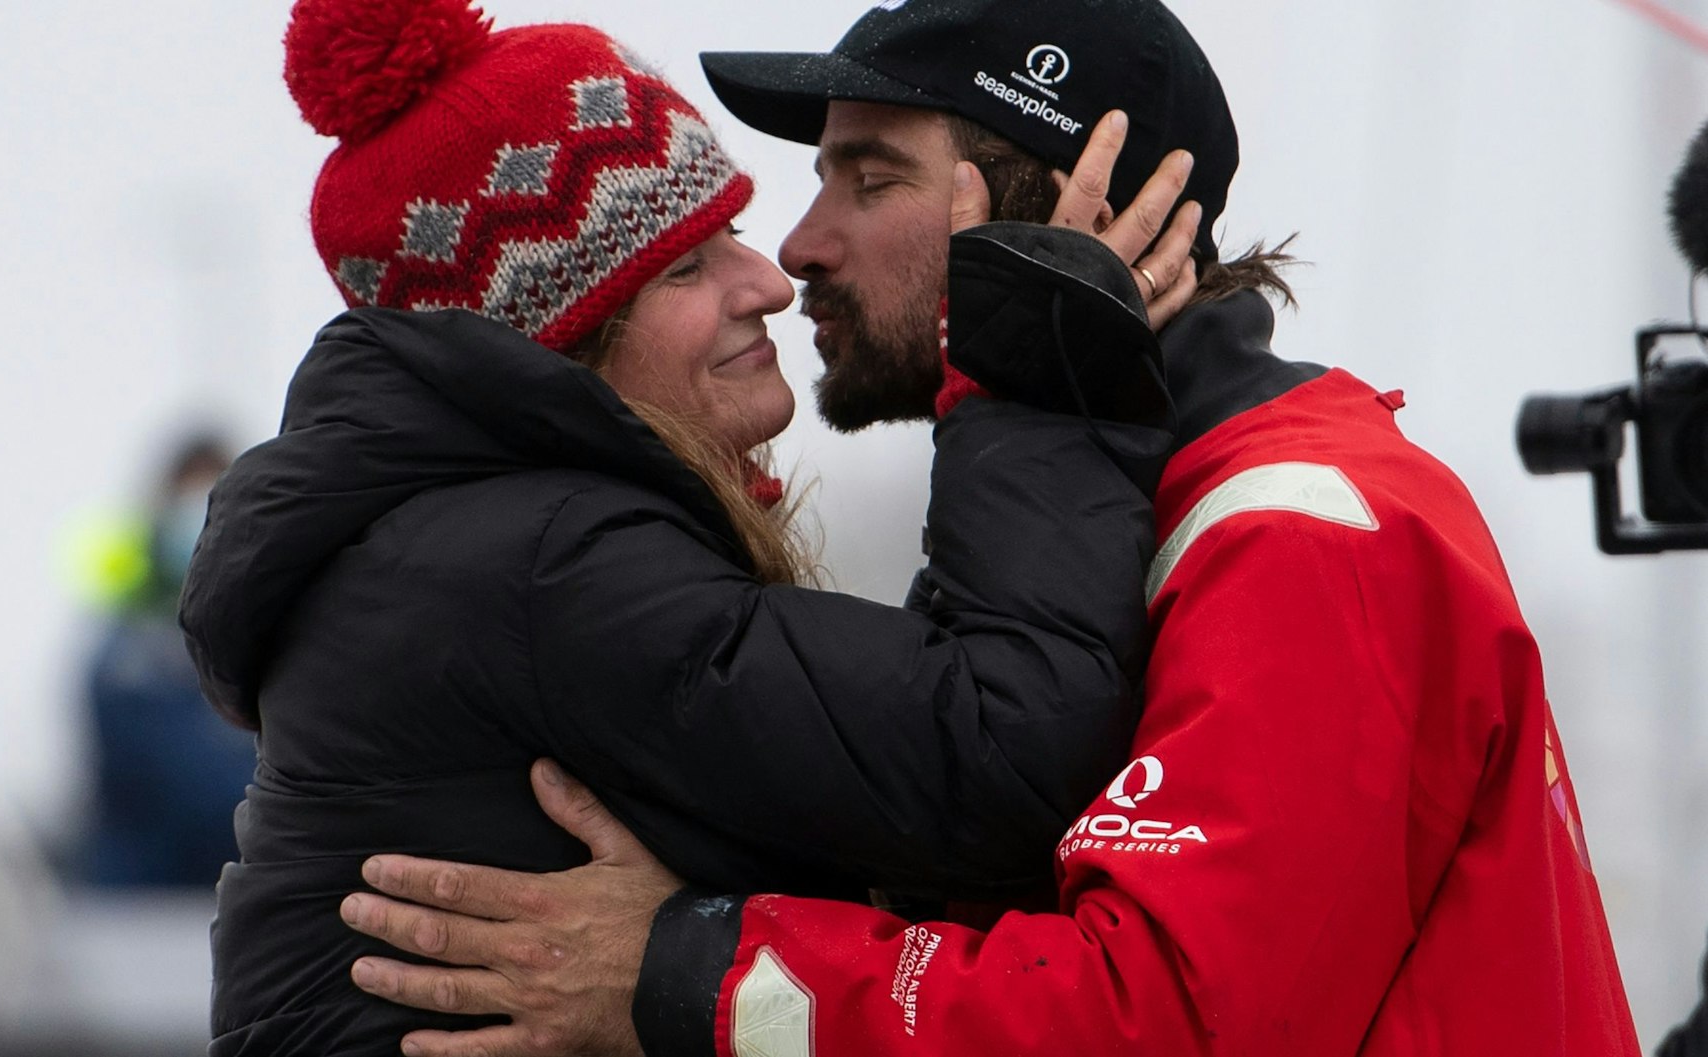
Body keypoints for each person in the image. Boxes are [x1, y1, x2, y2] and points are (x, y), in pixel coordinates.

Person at [332, 1, 1642, 1055]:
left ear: (1059, 214)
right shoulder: (1112, 524)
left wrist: (693, 972)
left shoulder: (1299, 531)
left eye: (871, 176)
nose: (799, 247)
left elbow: (1176, 1023)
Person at [179, 0, 1201, 1053]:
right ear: (559, 349)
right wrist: (1036, 374)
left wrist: (682, 944)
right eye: (683, 267)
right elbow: (998, 749)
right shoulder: (546, 564)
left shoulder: (463, 546)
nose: (766, 280)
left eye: (732, 237)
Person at [81, 432, 257, 888]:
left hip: (246, 885)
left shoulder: (273, 633)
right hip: (146, 898)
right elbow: (164, 776)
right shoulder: (128, 657)